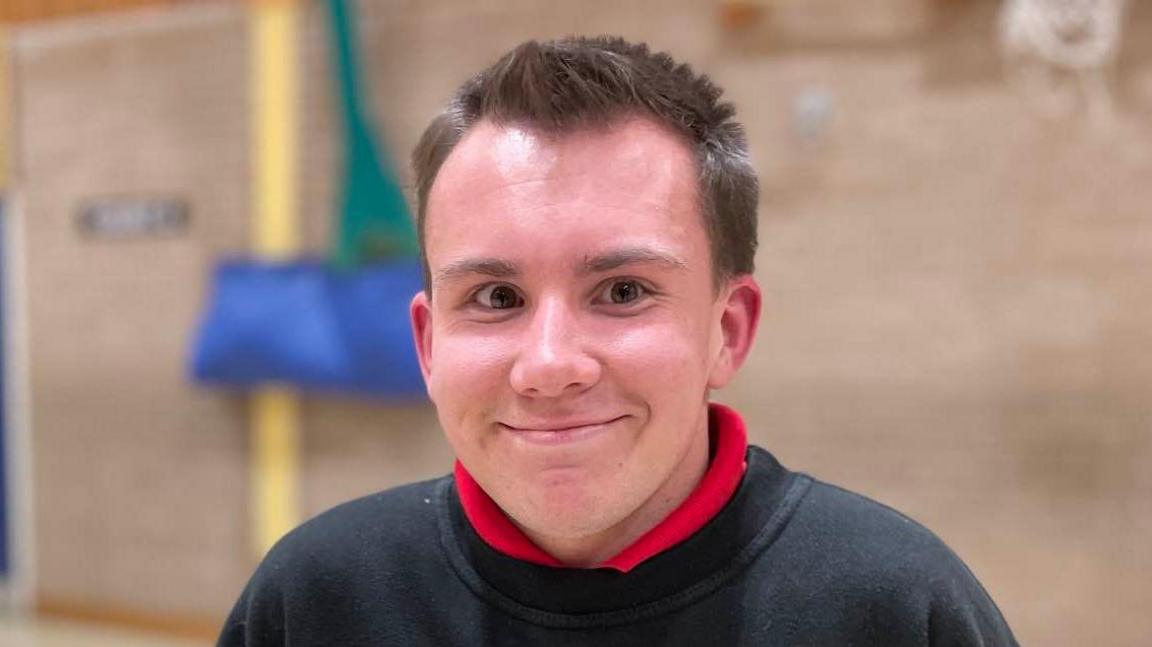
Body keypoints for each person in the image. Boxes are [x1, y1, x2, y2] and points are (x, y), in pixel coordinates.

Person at [219, 36, 1018, 646]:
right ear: (428, 344)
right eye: (496, 297)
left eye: (624, 291)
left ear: (726, 330)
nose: (550, 365)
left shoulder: (895, 608)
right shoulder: (314, 599)